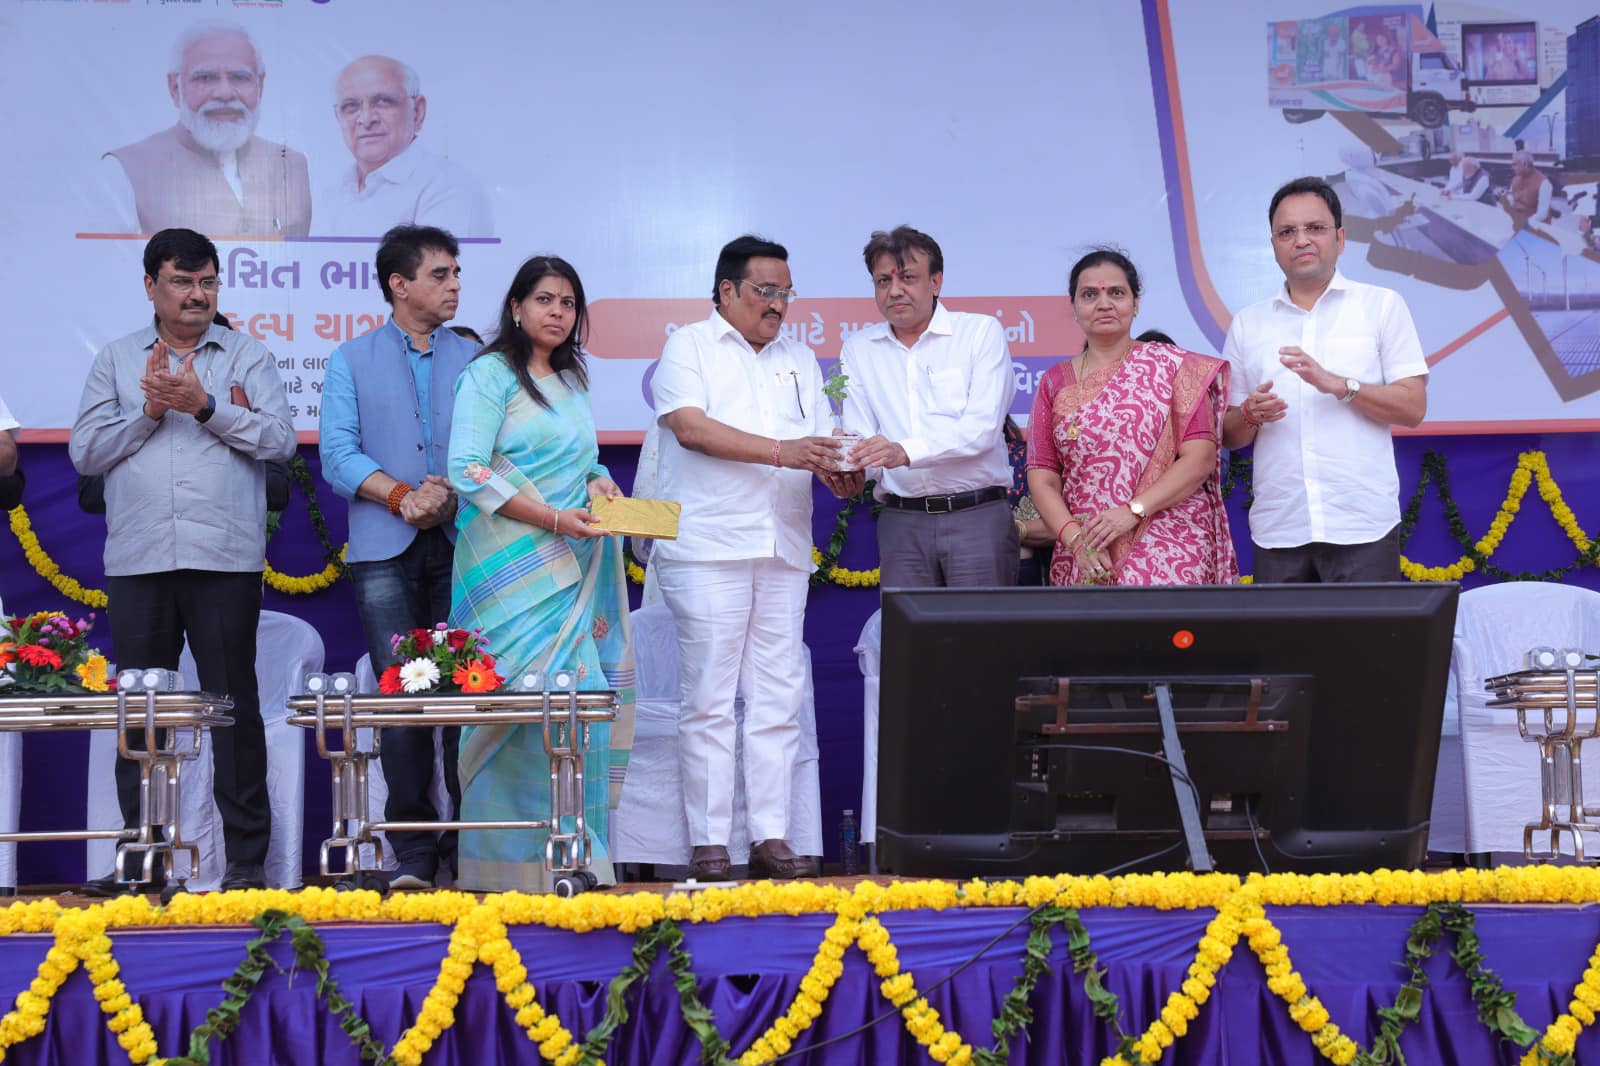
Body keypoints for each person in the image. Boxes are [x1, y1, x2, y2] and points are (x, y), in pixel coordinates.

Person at [69, 228, 295, 893]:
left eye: (207, 282)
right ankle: (142, 859)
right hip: (139, 558)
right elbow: (85, 453)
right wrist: (148, 411)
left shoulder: (248, 356)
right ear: (151, 286)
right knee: (142, 709)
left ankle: (246, 864)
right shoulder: (116, 360)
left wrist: (205, 407)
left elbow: (280, 440)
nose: (197, 295)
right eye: (182, 282)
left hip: (223, 556)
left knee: (232, 706)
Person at [652, 235, 841, 882]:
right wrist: (786, 452)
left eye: (786, 292)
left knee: (777, 693)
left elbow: (819, 440)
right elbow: (691, 428)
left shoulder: (801, 358)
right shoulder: (689, 346)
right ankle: (709, 842)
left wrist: (841, 470)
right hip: (710, 544)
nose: (778, 304)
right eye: (766, 290)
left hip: (782, 544)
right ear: (727, 290)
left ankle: (771, 835)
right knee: (709, 694)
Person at [446, 256, 634, 893]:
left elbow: (585, 463)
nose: (557, 312)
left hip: (572, 569)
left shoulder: (573, 380)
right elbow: (467, 469)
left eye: (568, 303)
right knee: (514, 704)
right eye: (545, 300)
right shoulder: (489, 375)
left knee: (577, 699)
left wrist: (600, 483)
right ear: (517, 307)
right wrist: (552, 517)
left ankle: (573, 855)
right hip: (506, 573)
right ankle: (499, 870)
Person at [318, 225, 474, 890]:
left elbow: (492, 448)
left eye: (457, 274)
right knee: (404, 700)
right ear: (399, 284)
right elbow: (337, 454)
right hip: (385, 548)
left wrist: (451, 493)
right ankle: (412, 852)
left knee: (469, 697)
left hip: (465, 543)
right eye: (441, 274)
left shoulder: (477, 359)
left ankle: (470, 846)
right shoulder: (350, 359)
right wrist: (404, 497)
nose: (455, 286)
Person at [1221, 176, 1428, 583]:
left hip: (1361, 523)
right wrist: (1250, 414)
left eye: (1314, 228)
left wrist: (1339, 385)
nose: (1301, 240)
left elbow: (1413, 407)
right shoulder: (1248, 323)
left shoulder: (1382, 306)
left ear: (1340, 238)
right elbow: (1229, 435)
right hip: (1281, 526)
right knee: (1280, 631)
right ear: (1274, 245)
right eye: (1287, 232)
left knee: (1365, 631)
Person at [1026, 250, 1237, 586]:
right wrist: (1076, 542)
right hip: (1088, 553)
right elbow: (1043, 478)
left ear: (1135, 303)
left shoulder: (1174, 368)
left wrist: (1131, 512)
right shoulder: (1055, 383)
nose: (1104, 304)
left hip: (1171, 548)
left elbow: (1200, 458)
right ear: (1074, 307)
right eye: (1090, 295)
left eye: (1117, 293)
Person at [837, 226, 1017, 587]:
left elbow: (981, 431)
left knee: (983, 624)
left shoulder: (979, 333)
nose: (894, 290)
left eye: (907, 278)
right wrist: (849, 469)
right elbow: (863, 440)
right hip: (901, 521)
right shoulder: (858, 349)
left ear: (935, 282)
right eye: (883, 281)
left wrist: (903, 451)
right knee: (909, 626)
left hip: (976, 516)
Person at [101, 24, 310, 237]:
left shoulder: (290, 165)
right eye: (205, 78)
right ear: (175, 87)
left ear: (260, 85)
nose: (224, 93)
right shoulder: (126, 168)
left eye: (240, 77)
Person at [317, 56, 492, 238]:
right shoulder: (331, 196)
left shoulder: (451, 188)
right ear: (338, 117)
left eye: (383, 101)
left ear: (417, 112)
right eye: (350, 106)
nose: (367, 119)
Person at [1503, 151, 1555, 228]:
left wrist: (1524, 224)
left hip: (1536, 226)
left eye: (1515, 164)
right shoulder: (1516, 178)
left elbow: (1542, 214)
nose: (1512, 167)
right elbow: (1511, 196)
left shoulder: (1544, 183)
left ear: (1525, 164)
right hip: (1518, 220)